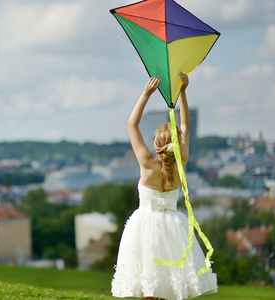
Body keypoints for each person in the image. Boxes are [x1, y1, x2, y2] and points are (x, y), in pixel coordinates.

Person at [111, 73, 217, 299]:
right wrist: (183, 92)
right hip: (173, 227)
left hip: (145, 226)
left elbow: (132, 124)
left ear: (156, 144)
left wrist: (147, 93)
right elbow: (186, 124)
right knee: (172, 286)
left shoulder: (147, 164)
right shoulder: (182, 162)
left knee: (148, 285)